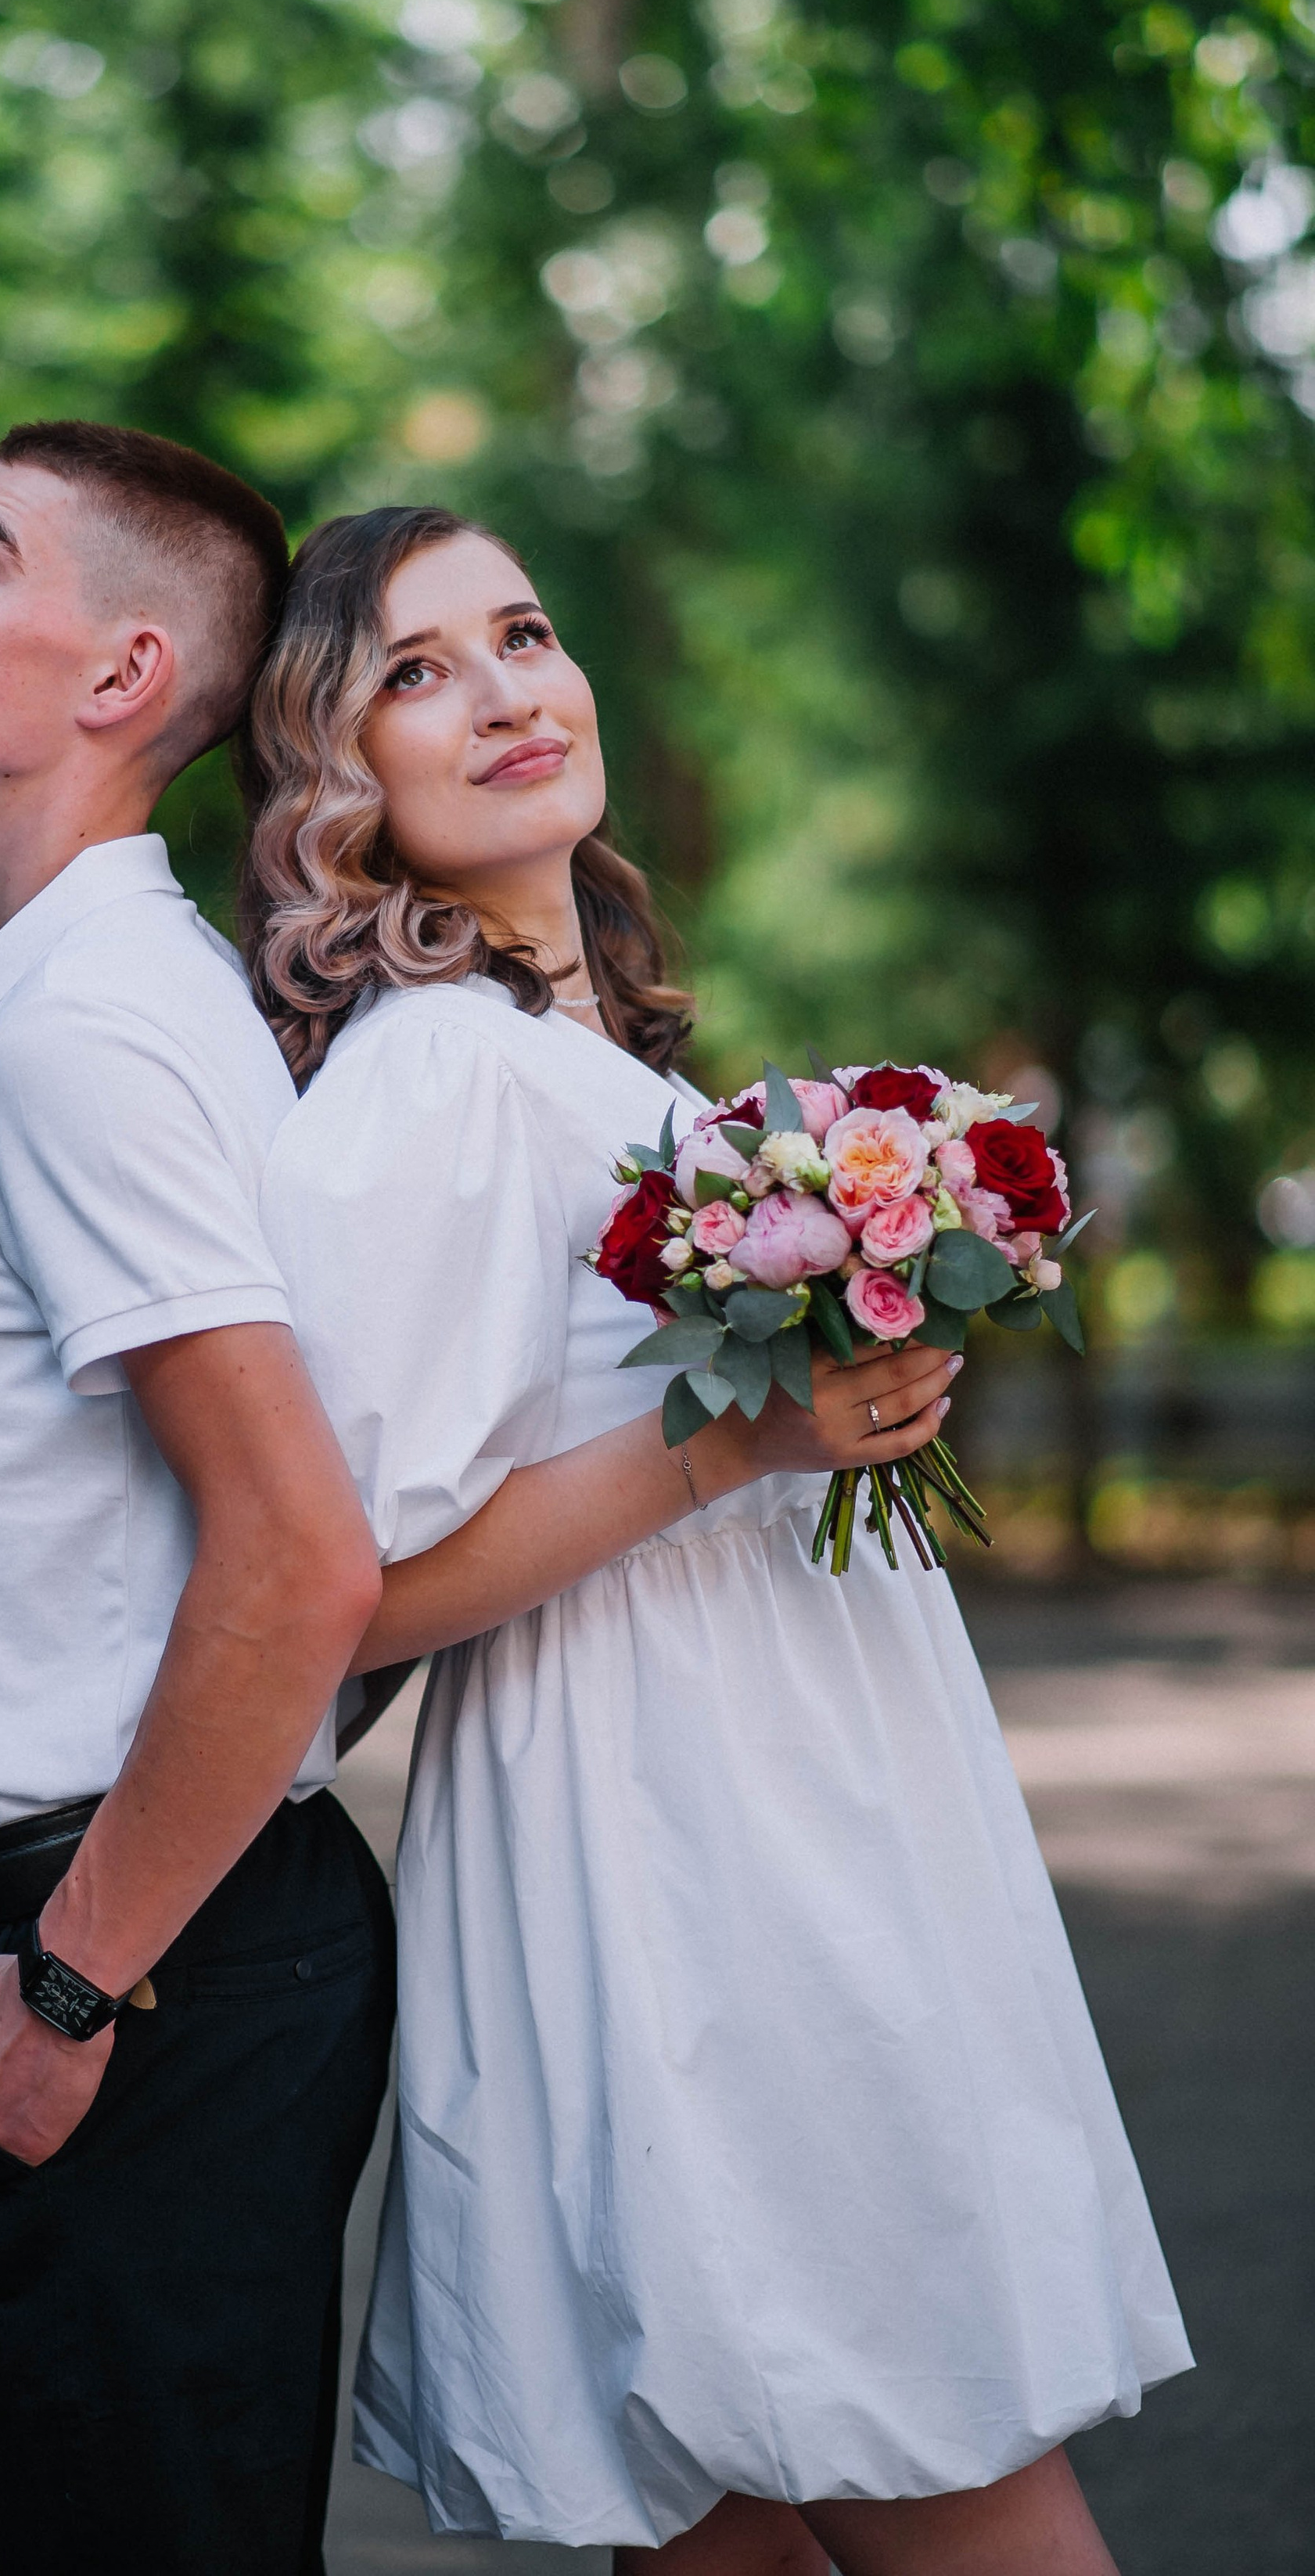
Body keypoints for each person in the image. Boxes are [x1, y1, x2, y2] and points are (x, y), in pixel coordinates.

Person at [246, 504, 1191, 2576]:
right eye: (417, 669)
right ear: (341, 775)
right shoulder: (424, 1088)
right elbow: (341, 1592)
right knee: (920, 2448)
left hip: (798, 1793)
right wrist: (740, 1448)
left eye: (525, 630)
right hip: (687, 1853)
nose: (506, 688)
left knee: (740, 2510)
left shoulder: (588, 1069)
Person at [0, 420, 397, 2576]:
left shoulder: (87, 1032)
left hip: (149, 1958)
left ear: (118, 676)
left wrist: (66, 1988)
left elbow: (296, 1551)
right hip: (145, 1933)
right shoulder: (68, 1007)